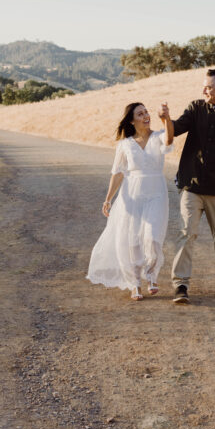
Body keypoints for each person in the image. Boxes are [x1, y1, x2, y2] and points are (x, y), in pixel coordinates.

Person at [158, 68, 215, 304]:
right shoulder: (196, 107)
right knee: (186, 233)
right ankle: (180, 284)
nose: (204, 90)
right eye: (204, 87)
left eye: (208, 87)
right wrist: (165, 119)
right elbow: (174, 131)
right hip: (191, 184)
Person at [87, 102, 174, 301]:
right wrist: (108, 199)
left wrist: (166, 118)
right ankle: (134, 283)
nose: (145, 116)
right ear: (132, 120)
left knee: (152, 237)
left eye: (146, 112)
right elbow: (117, 173)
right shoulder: (125, 144)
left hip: (156, 193)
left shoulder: (158, 136)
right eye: (140, 113)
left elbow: (169, 140)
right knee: (133, 240)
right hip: (132, 193)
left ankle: (151, 276)